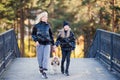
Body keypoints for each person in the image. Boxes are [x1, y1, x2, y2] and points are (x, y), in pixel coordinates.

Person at [31, 11, 55, 79]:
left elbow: (51, 35)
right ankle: (41, 68)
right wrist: (36, 41)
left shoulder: (48, 25)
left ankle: (44, 71)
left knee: (46, 57)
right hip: (39, 44)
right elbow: (33, 35)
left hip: (47, 43)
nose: (46, 18)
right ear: (41, 18)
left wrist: (53, 45)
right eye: (44, 17)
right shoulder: (36, 26)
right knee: (40, 58)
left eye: (46, 17)